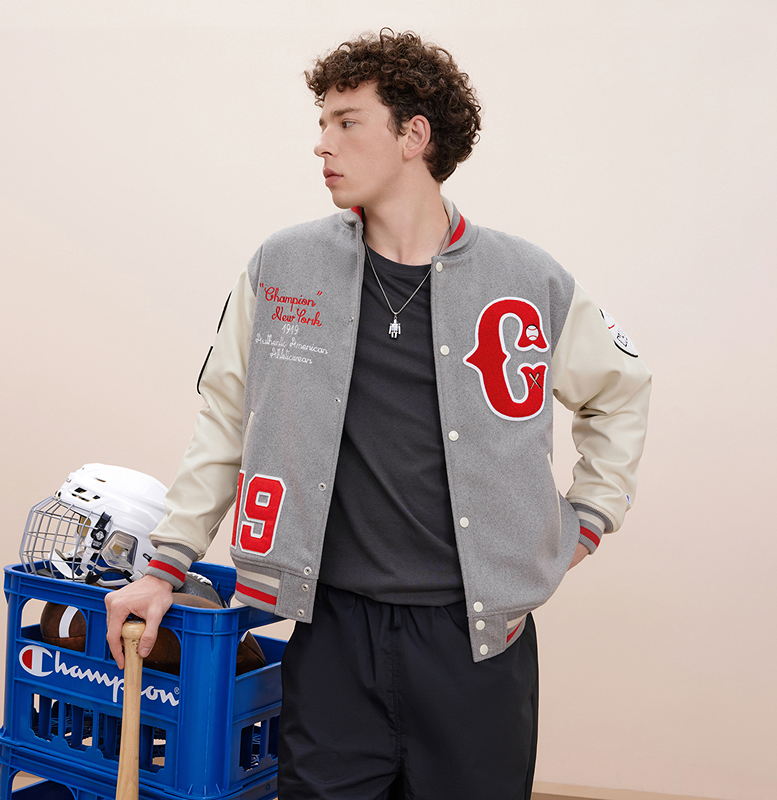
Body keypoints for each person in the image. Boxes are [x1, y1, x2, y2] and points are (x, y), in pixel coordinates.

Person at [106, 29, 651, 799]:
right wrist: (165, 566)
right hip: (331, 629)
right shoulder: (283, 268)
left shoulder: (527, 279)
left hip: (475, 643)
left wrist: (588, 518)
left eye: (347, 121)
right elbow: (227, 417)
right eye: (321, 123)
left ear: (413, 136)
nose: (322, 143)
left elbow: (621, 389)